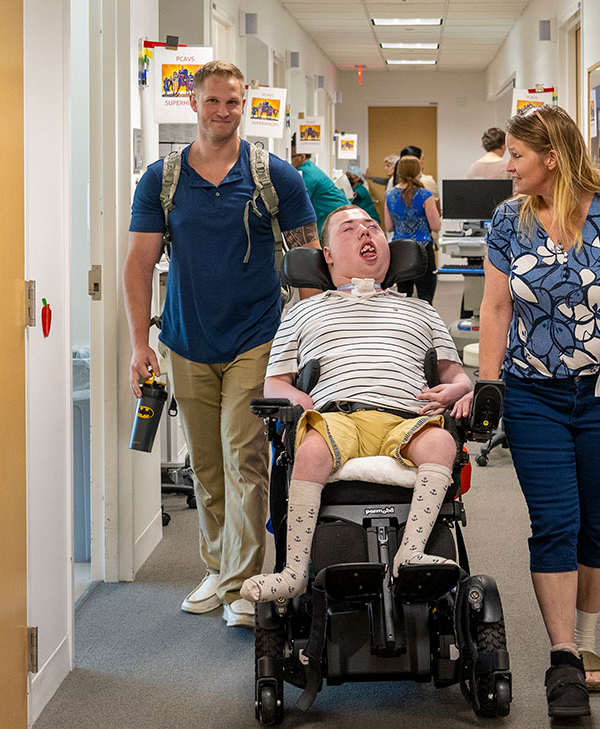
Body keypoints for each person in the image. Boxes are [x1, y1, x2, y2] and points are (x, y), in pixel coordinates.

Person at [478, 104, 600, 717]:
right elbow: (496, 310)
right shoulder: (508, 222)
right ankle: (563, 658)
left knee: (594, 521)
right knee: (554, 521)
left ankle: (588, 643)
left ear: (552, 158)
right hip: (533, 392)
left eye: (517, 155)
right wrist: (488, 386)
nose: (507, 165)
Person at [125, 60, 321, 629]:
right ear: (194, 103)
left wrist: (310, 347)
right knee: (207, 466)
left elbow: (307, 262)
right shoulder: (161, 179)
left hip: (256, 338)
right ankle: (218, 564)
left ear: (244, 105)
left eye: (233, 102)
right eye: (213, 101)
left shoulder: (274, 176)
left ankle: (242, 584)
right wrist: (141, 344)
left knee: (244, 456)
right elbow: (139, 263)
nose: (223, 112)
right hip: (186, 341)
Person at [241, 204, 474, 608]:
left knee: (442, 446)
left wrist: (460, 389)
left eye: (372, 227)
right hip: (337, 416)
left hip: (407, 415)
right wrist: (297, 399)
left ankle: (412, 552)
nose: (366, 233)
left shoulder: (420, 310)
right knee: (310, 448)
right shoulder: (302, 312)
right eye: (349, 229)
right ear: (327, 255)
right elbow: (275, 382)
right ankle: (294, 571)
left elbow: (456, 375)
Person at [382, 156, 442, 303]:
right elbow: (436, 226)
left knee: (403, 296)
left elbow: (389, 227)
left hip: (400, 251)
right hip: (422, 251)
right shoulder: (425, 195)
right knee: (425, 297)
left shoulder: (390, 195)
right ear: (418, 171)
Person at [290, 134, 352, 238]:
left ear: (302, 157)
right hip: (340, 216)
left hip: (341, 219)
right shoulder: (309, 168)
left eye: (291, 157)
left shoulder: (307, 174)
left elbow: (297, 204)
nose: (289, 161)